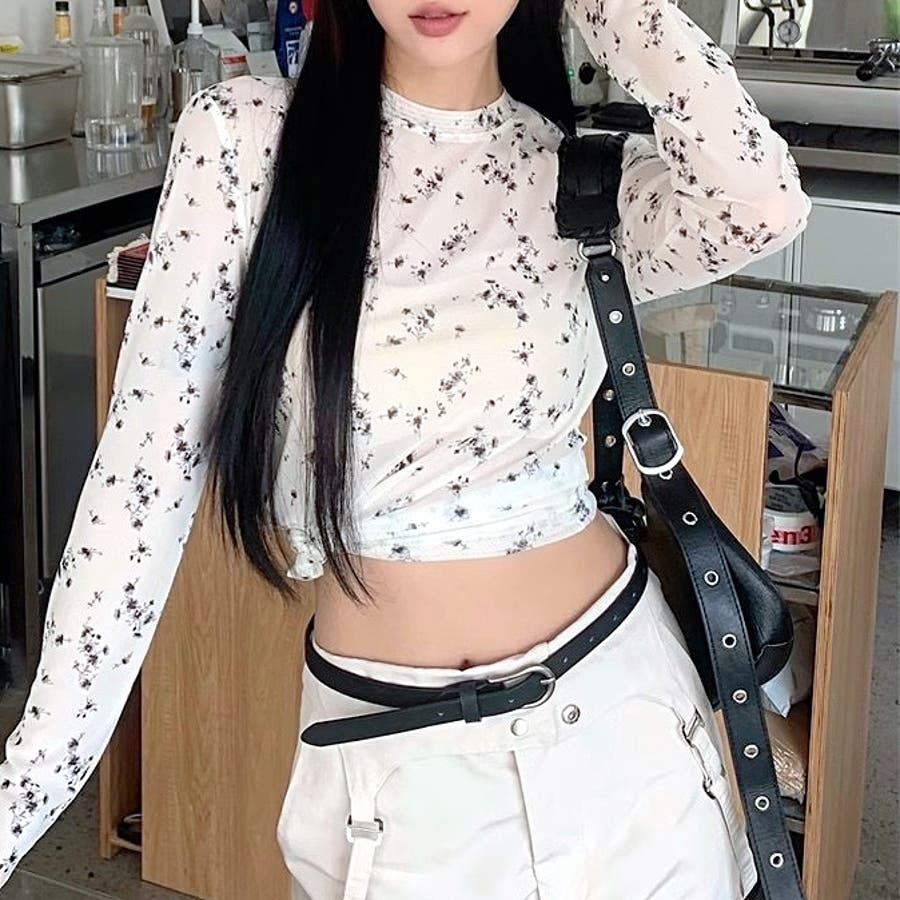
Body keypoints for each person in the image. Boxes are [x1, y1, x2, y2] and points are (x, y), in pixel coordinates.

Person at [0, 1, 812, 897]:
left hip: (629, 728)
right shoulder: (245, 141)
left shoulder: (577, 173)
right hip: (398, 778)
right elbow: (134, 500)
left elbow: (762, 206)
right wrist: (20, 800)